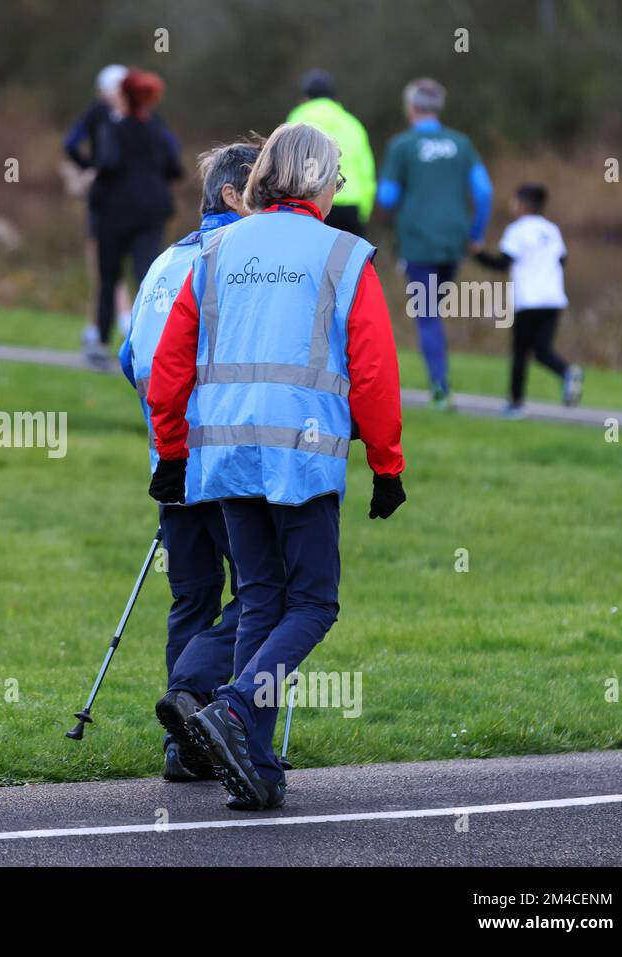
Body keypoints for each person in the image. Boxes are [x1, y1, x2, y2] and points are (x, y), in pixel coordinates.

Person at [146, 123, 406, 811]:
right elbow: (375, 372)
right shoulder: (345, 255)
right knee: (314, 600)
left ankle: (252, 762)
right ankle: (234, 710)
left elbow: (171, 362)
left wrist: (172, 452)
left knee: (261, 596)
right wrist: (388, 465)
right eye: (338, 177)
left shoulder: (218, 247)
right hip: (302, 452)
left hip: (226, 450)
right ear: (320, 180)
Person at [119, 141, 261, 782]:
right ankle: (199, 691)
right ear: (234, 196)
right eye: (265, 190)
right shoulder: (242, 261)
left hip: (168, 455)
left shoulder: (161, 262)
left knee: (192, 596)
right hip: (226, 458)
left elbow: (131, 360)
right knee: (270, 593)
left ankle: (184, 748)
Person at [378, 77, 493, 410]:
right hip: (453, 241)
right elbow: (484, 191)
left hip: (418, 241)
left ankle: (440, 388)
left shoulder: (402, 146)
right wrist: (476, 233)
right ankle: (440, 381)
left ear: (411, 108)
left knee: (427, 314)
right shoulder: (462, 143)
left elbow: (387, 196)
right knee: (434, 309)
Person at [88, 69, 182, 366]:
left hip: (115, 211)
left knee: (109, 277)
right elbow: (175, 168)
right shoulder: (157, 130)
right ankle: (150, 343)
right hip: (152, 210)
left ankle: (101, 343)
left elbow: (108, 163)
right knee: (147, 276)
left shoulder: (113, 128)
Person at [474, 183, 583, 415]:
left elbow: (502, 263)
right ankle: (567, 372)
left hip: (529, 299)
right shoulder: (551, 230)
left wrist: (478, 254)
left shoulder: (517, 230)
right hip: (553, 298)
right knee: (542, 349)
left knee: (521, 351)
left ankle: (515, 403)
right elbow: (562, 260)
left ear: (522, 204)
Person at [64, 65, 132, 359]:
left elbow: (70, 143)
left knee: (103, 267)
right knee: (128, 266)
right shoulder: (142, 114)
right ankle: (117, 322)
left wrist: (87, 168)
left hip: (107, 199)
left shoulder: (100, 112)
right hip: (139, 201)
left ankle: (118, 323)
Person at [285, 69, 375, 236]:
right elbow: (366, 172)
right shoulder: (352, 123)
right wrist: (363, 212)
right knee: (348, 260)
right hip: (351, 206)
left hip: (313, 202)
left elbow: (288, 164)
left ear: (306, 97)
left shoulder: (298, 117)